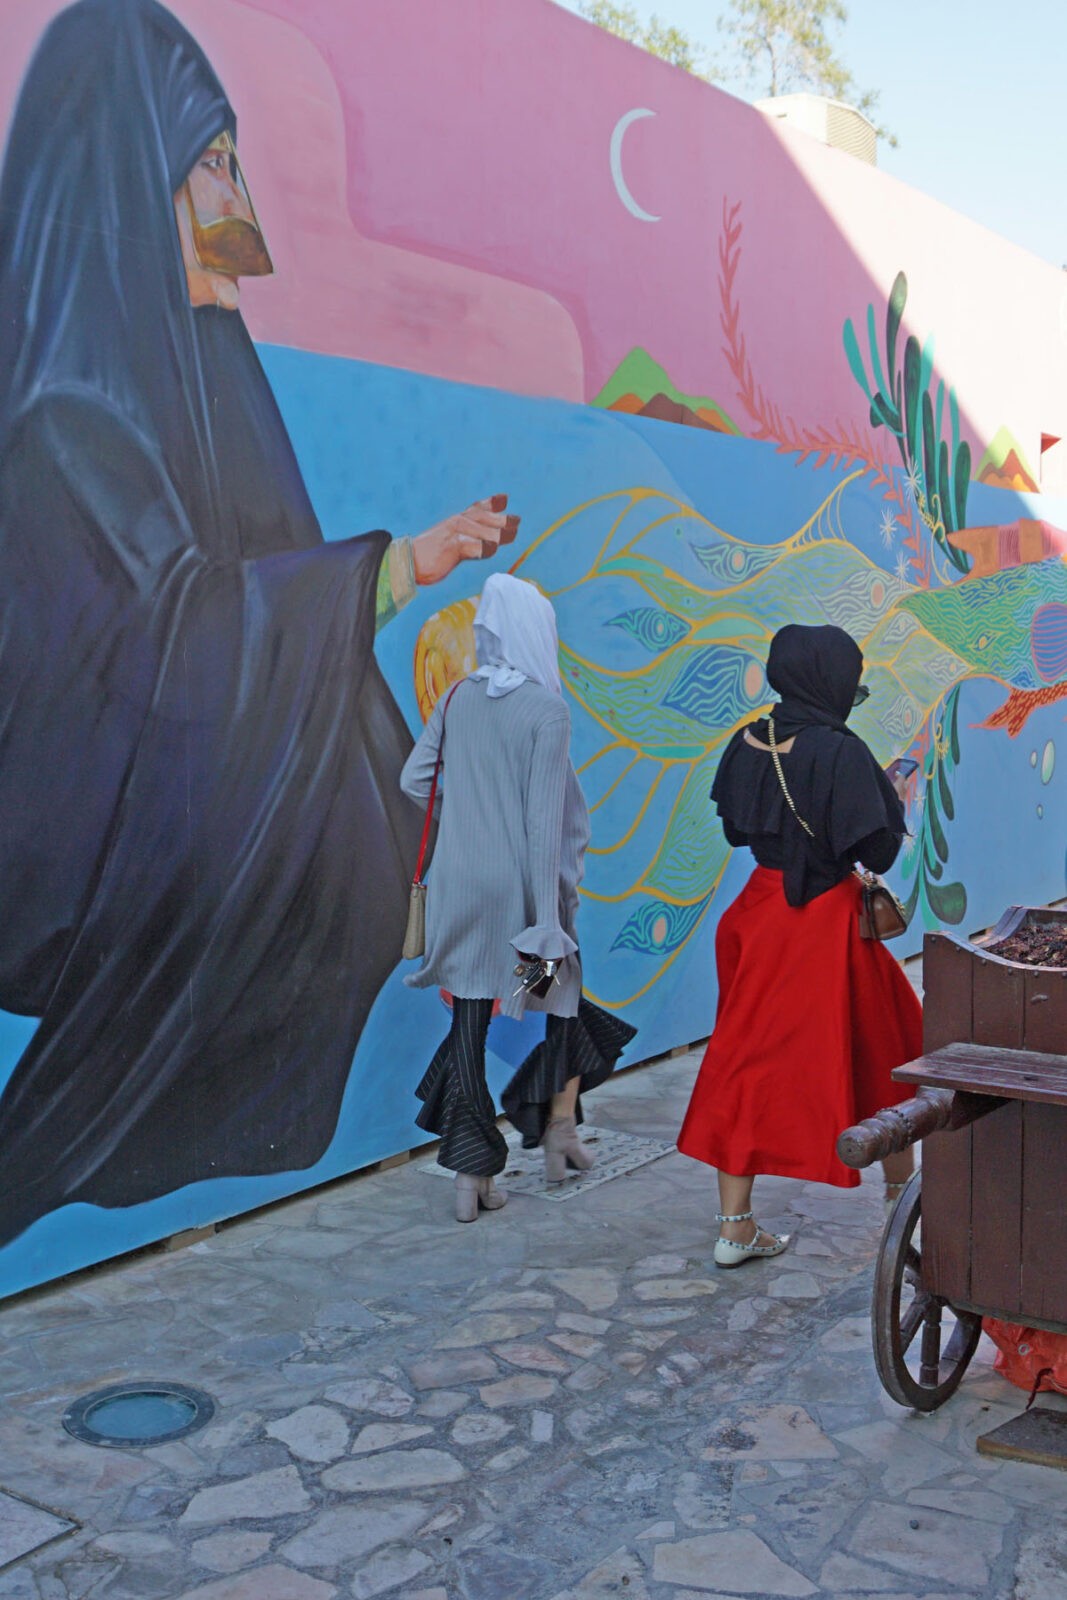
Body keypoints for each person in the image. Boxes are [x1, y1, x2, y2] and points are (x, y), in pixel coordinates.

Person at [0, 0, 514, 1246]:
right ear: (130, 177)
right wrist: (396, 567)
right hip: (90, 875)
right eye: (213, 165)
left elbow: (263, 588)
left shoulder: (199, 385)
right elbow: (165, 647)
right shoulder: (68, 423)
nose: (238, 205)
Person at [677, 623, 922, 1266]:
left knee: (745, 1059)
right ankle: (902, 1201)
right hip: (826, 924)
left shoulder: (747, 740)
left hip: (758, 915)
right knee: (887, 1047)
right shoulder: (841, 751)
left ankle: (735, 1227)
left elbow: (737, 831)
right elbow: (878, 852)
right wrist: (891, 799)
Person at [401, 573, 635, 1221]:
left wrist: (467, 815)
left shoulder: (457, 697)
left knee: (470, 1015)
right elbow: (542, 824)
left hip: (457, 885)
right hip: (519, 893)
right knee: (559, 995)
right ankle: (556, 1126)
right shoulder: (546, 710)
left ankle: (469, 1171)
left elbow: (415, 779)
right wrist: (547, 918)